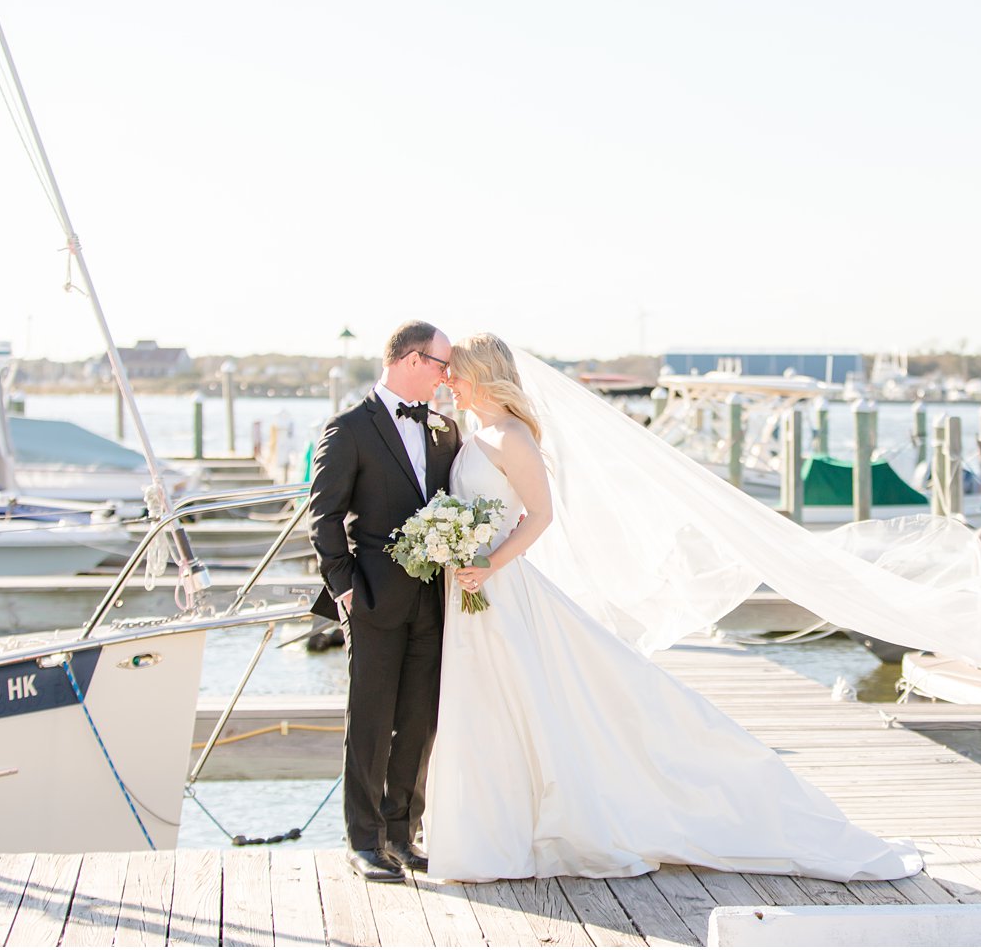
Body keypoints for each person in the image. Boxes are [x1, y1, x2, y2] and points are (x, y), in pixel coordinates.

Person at [423, 333, 924, 882]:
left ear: (482, 375)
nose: (447, 381)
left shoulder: (512, 436)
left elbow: (538, 517)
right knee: (486, 708)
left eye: (455, 373)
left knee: (532, 700)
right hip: (472, 592)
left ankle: (539, 827)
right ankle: (490, 833)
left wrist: (489, 564)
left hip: (501, 587)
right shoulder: (472, 434)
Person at [308, 321, 461, 883]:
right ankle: (364, 840)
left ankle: (403, 833)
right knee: (371, 720)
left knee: (420, 720)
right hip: (372, 598)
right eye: (442, 365)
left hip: (433, 599)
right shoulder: (348, 428)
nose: (448, 377)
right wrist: (345, 588)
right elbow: (322, 515)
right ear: (411, 359)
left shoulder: (446, 431)